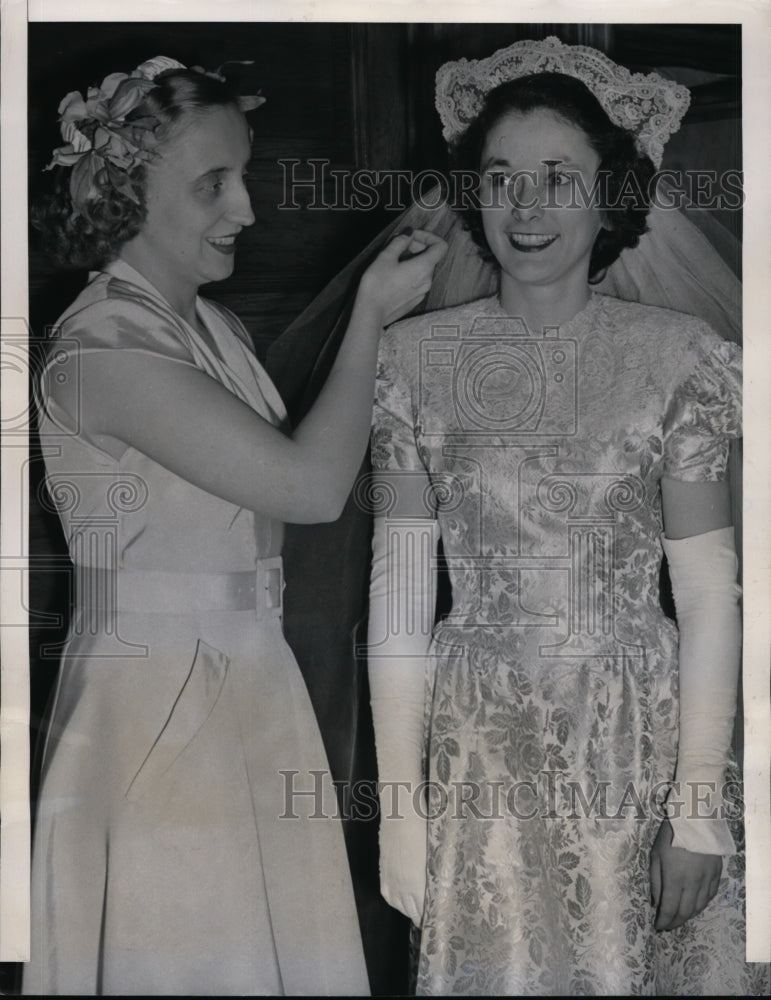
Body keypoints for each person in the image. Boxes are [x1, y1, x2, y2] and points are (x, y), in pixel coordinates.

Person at [24, 55, 446, 996]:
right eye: (214, 183)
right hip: (160, 700)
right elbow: (308, 488)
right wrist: (370, 315)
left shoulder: (215, 330)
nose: (247, 210)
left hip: (250, 677)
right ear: (126, 188)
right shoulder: (103, 351)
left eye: (244, 176)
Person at [362, 37, 767, 995]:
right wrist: (398, 809)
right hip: (477, 743)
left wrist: (698, 805)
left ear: (609, 193)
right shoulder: (411, 361)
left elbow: (711, 593)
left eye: (557, 177)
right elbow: (398, 596)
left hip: (638, 733)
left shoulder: (677, 358)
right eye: (501, 177)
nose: (525, 208)